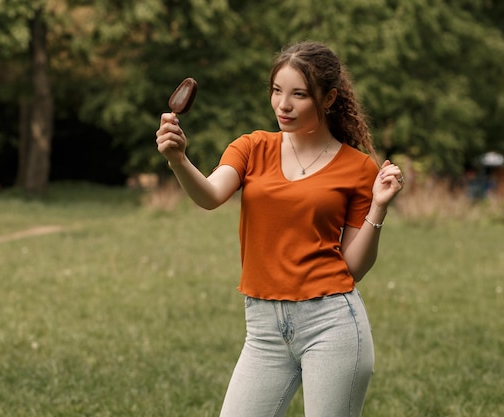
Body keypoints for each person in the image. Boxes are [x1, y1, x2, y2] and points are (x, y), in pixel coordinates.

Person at [155, 40, 404, 417]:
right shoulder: (252, 147)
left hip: (332, 325)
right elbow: (209, 195)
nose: (282, 105)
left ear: (328, 98)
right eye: (276, 91)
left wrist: (379, 207)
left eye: (298, 95)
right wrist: (178, 160)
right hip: (264, 330)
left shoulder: (358, 169)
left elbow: (354, 267)